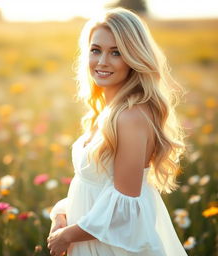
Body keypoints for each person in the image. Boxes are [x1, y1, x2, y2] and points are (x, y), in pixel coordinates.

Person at [47, 7, 188, 256]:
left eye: (116, 53)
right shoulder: (107, 111)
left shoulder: (130, 116)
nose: (102, 61)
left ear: (134, 57)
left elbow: (125, 206)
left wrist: (68, 235)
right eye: (95, 50)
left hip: (114, 247)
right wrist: (63, 213)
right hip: (90, 237)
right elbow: (96, 187)